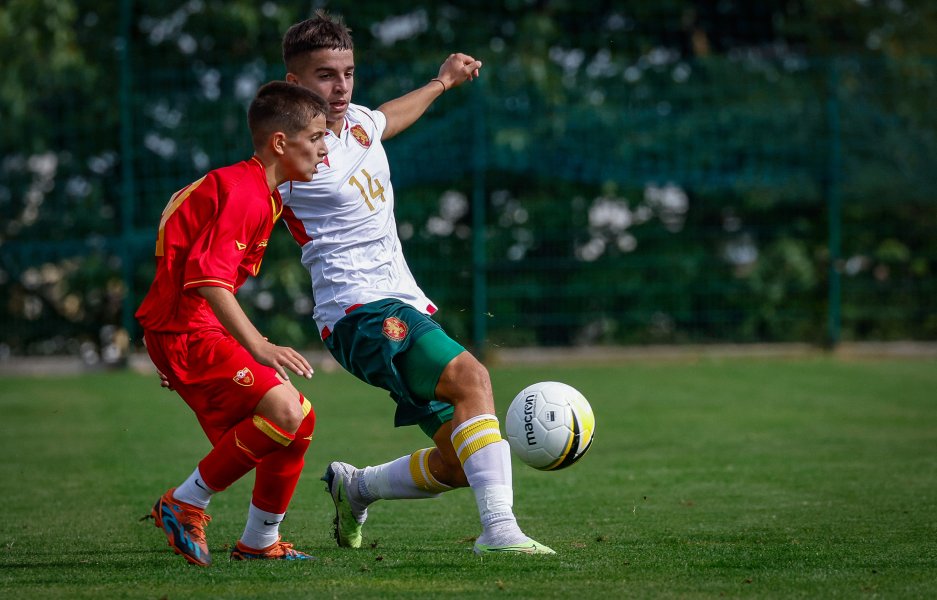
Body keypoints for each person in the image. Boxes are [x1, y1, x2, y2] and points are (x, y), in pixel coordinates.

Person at [278, 12, 554, 555]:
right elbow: (237, 213)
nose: (340, 87)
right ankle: (500, 533)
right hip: (357, 312)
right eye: (325, 75)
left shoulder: (356, 121)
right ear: (294, 83)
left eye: (348, 72)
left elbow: (386, 118)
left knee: (459, 460)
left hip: (403, 303)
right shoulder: (288, 156)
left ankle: (355, 486)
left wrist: (443, 81)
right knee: (472, 376)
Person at [136, 81, 329, 566]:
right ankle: (186, 501)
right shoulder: (245, 193)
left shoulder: (257, 192)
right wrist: (260, 346)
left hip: (184, 330)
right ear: (281, 143)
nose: (325, 148)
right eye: (318, 136)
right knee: (287, 412)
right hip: (188, 329)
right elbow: (206, 279)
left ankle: (259, 540)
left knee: (298, 421)